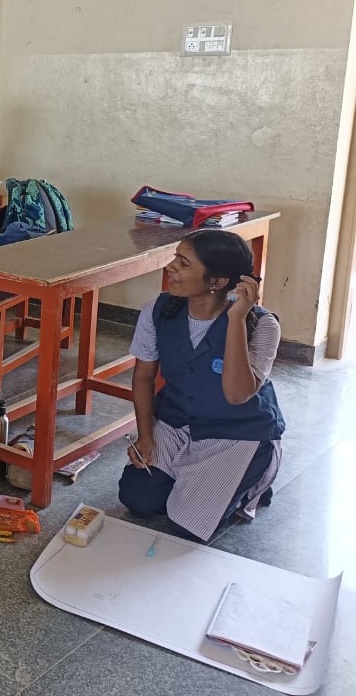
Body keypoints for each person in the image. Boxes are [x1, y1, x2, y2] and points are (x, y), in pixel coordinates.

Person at [118, 229, 285, 542]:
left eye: (183, 263)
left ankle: (258, 473)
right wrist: (145, 437)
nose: (170, 268)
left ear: (217, 282)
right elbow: (143, 377)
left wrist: (236, 319)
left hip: (235, 432)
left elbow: (236, 394)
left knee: (188, 526)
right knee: (139, 499)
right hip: (178, 421)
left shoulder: (263, 325)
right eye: (175, 258)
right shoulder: (157, 310)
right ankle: (198, 479)